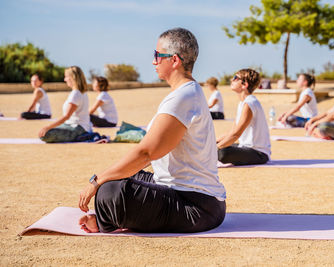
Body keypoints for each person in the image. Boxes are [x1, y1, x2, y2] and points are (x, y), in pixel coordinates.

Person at [78, 28, 226, 234]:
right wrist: (108, 176)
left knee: (110, 191)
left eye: (157, 56)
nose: (153, 61)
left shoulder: (183, 96)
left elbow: (147, 152)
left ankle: (105, 220)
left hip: (196, 206)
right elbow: (149, 156)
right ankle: (111, 213)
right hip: (191, 197)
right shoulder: (188, 92)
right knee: (118, 177)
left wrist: (97, 181)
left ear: (174, 60)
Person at [216, 69, 271, 166]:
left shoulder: (249, 104)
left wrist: (215, 148)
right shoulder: (242, 103)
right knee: (215, 147)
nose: (232, 80)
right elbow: (232, 132)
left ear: (244, 85)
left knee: (223, 153)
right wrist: (213, 142)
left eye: (235, 78)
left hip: (258, 153)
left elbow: (236, 135)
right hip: (246, 148)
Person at [39, 66, 92, 143]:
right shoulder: (80, 92)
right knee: (44, 133)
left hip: (77, 128)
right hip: (73, 125)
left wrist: (48, 127)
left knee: (45, 135)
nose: (64, 79)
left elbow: (66, 116)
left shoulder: (76, 94)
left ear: (72, 78)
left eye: (66, 77)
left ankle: (82, 136)